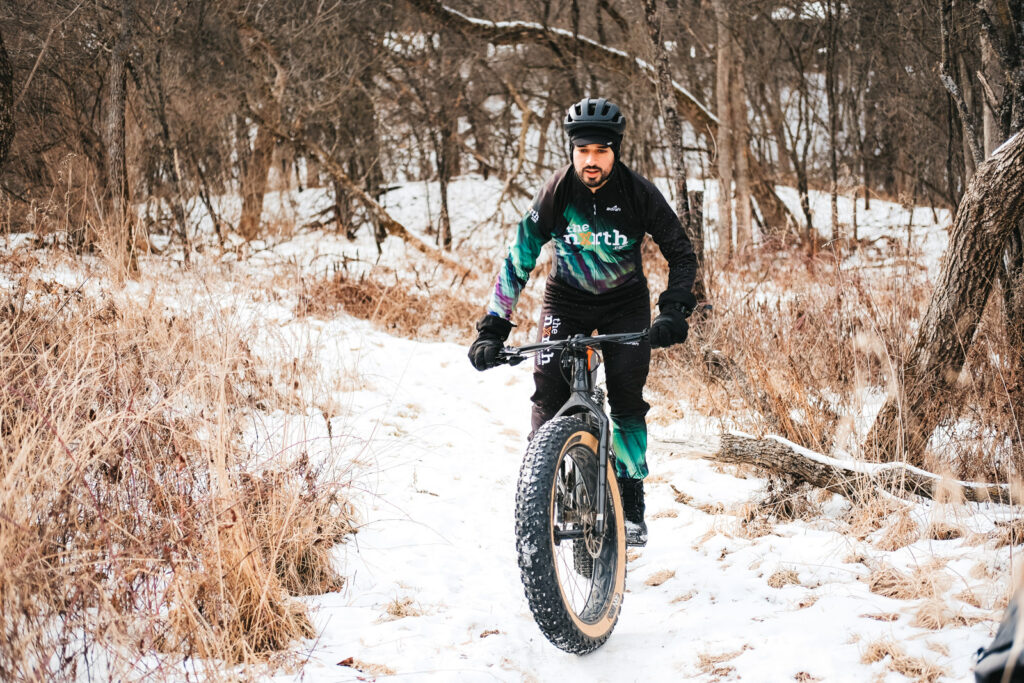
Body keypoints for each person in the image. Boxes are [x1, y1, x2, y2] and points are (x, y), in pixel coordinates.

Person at [468, 97, 697, 546]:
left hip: (624, 302)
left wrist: (673, 309)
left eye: (601, 151)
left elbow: (682, 253)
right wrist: (494, 325)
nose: (591, 161)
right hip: (566, 301)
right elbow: (519, 259)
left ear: (616, 151)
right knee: (547, 390)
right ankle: (542, 489)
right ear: (571, 151)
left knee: (628, 397)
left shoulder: (638, 192)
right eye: (583, 151)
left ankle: (631, 501)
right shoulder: (556, 192)